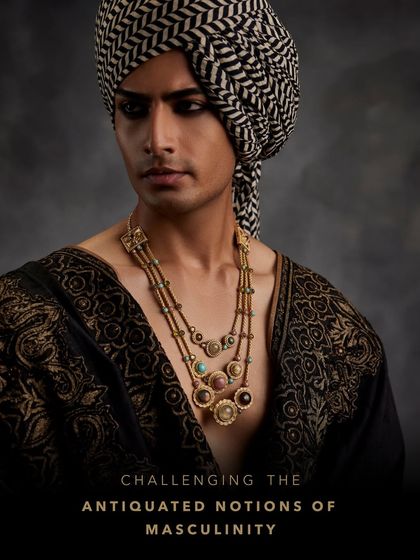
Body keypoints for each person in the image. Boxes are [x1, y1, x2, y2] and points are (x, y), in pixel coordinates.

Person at [0, 0, 404, 494]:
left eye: (189, 106)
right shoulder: (26, 319)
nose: (157, 139)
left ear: (245, 119)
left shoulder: (335, 334)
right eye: (133, 109)